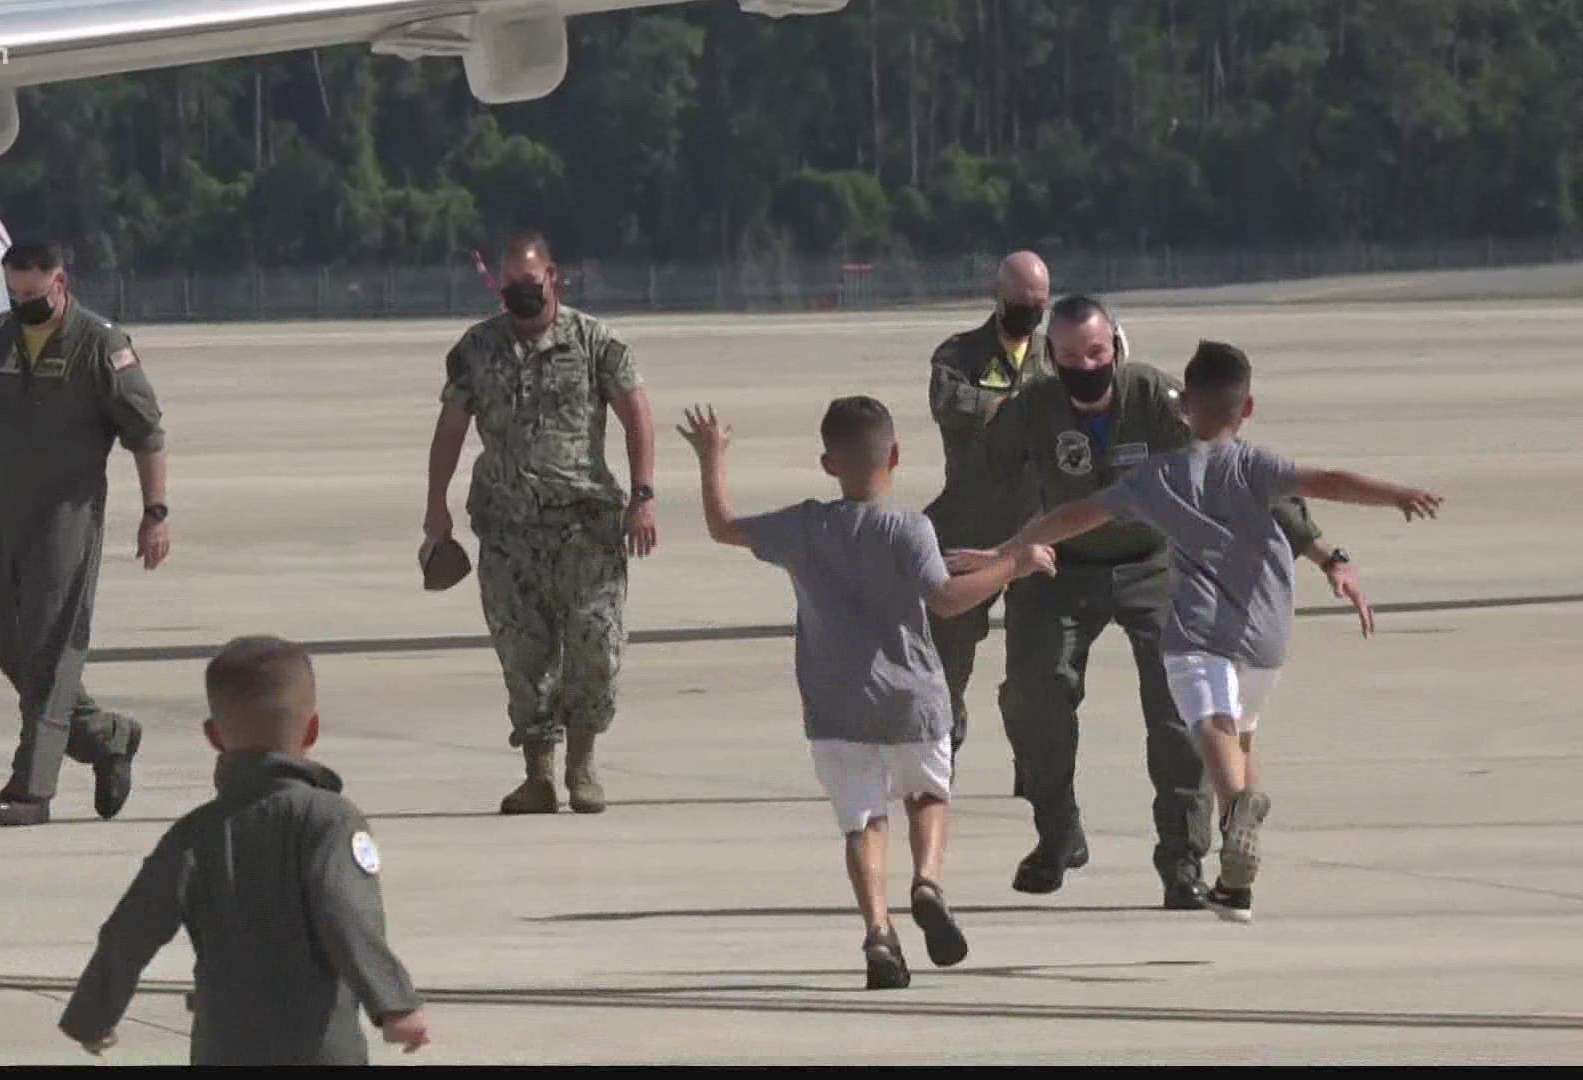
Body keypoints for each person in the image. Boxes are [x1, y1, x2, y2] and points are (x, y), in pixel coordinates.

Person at [978, 341, 1441, 922]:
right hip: (1269, 631)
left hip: (1200, 634)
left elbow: (1077, 515)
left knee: (1210, 729)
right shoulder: (1258, 466)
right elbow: (1328, 480)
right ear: (1246, 410)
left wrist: (1008, 548)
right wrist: (1391, 497)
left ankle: (1241, 809)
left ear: (1181, 407)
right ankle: (1235, 887)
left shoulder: (1160, 477)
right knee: (1243, 733)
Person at [678, 397, 1055, 988]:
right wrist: (1014, 564)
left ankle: (878, 931)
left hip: (834, 704)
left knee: (862, 824)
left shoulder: (804, 525)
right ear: (896, 456)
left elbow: (722, 525)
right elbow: (948, 599)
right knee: (928, 797)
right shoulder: (909, 527)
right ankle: (927, 881)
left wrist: (712, 458)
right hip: (911, 698)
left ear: (829, 464)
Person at [57, 636, 431, 1065]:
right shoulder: (331, 820)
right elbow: (346, 911)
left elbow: (132, 927)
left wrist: (94, 1014)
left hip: (224, 1046)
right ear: (311, 729)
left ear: (214, 737)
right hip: (318, 1046)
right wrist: (394, 1004)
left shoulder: (194, 832)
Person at [0, 241, 168, 827]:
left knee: (55, 649)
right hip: (11, 508)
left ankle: (31, 788)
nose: (21, 304)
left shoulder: (102, 345)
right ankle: (106, 735)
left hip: (70, 512)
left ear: (61, 282)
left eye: (32, 295)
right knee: (11, 644)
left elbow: (146, 433)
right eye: (13, 293)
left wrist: (155, 511)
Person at [424, 231, 657, 815]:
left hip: (587, 526)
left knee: (595, 644)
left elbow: (636, 417)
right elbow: (450, 430)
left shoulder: (595, 341)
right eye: (509, 289)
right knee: (523, 656)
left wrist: (644, 496)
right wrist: (435, 509)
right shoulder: (476, 350)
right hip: (508, 530)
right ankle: (538, 775)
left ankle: (582, 764)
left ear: (554, 277)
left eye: (530, 286)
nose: (520, 298)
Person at [925, 250, 1054, 779]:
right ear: (997, 297)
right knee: (948, 655)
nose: (1030, 312)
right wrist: (1010, 409)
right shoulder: (960, 355)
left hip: (1036, 531)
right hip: (969, 525)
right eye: (1021, 303)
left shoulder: (1056, 355)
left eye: (1039, 304)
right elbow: (949, 402)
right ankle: (941, 750)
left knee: (1038, 662)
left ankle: (1037, 764)